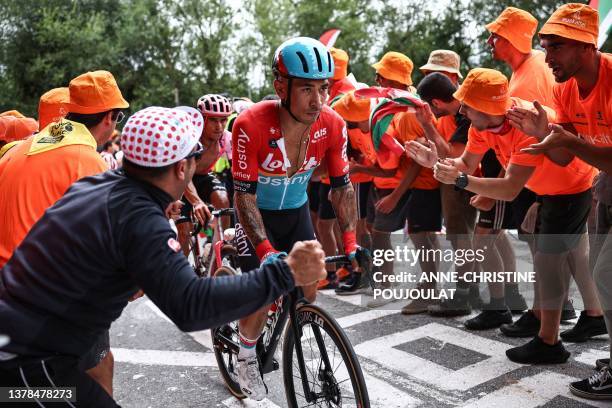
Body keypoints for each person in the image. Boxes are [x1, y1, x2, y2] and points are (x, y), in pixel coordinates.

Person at [0, 105, 327, 407]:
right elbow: (191, 306)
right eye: (195, 155)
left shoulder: (101, 185)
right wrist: (285, 273)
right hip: (27, 366)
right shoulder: (138, 220)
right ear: (181, 167)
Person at [409, 67, 599, 365]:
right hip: (545, 187)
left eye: (468, 106)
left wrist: (459, 181)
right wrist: (436, 162)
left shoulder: (523, 124)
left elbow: (509, 189)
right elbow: (465, 165)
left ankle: (550, 343)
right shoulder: (481, 125)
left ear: (485, 108)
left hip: (572, 184)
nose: (464, 111)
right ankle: (552, 320)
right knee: (552, 257)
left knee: (548, 260)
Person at [231, 37, 359, 400]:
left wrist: (351, 245)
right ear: (280, 87)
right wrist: (267, 250)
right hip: (257, 215)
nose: (317, 100)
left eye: (323, 88)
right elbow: (244, 196)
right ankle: (245, 356)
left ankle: (290, 316)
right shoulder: (250, 124)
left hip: (296, 211)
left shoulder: (333, 125)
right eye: (306, 89)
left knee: (309, 287)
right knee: (264, 285)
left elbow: (343, 189)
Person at [505, 3, 612, 399]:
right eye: (544, 47)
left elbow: (577, 149)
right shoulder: (565, 89)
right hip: (605, 185)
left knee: (603, 274)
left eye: (555, 47)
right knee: (603, 273)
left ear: (587, 45)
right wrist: (543, 132)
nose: (547, 57)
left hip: (595, 185)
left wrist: (569, 140)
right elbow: (567, 154)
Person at [176, 94, 233, 257]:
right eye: (213, 120)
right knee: (184, 231)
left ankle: (221, 248)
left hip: (201, 177)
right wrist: (197, 202)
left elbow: (237, 173)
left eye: (223, 120)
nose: (219, 126)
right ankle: (183, 274)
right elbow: (184, 174)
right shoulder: (191, 138)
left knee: (224, 201)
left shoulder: (226, 138)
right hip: (181, 180)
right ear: (202, 119)